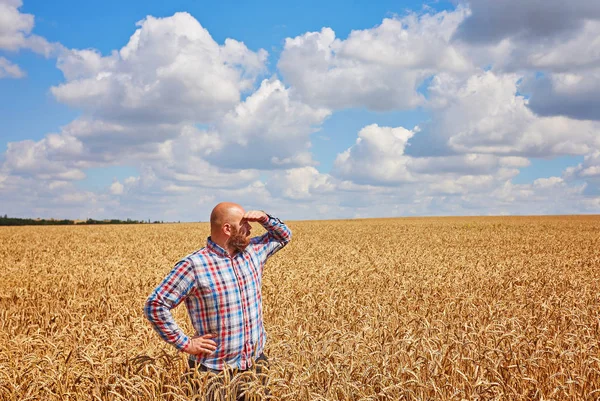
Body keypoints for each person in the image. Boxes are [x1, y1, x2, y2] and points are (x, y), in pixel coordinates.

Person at [143, 202, 292, 397]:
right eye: (245, 224)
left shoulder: (253, 252)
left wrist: (265, 218)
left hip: (255, 365)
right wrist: (186, 343)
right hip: (213, 372)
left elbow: (283, 236)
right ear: (227, 229)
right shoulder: (194, 265)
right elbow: (155, 305)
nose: (250, 228)